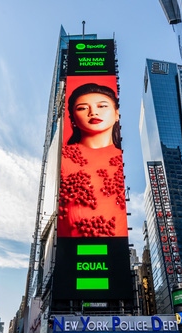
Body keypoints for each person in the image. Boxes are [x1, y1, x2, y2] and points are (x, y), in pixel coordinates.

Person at [58, 82, 128, 238]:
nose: (93, 113)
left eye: (102, 106)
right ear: (72, 118)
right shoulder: (64, 160)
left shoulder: (122, 162)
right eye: (82, 108)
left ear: (117, 114)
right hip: (71, 252)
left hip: (115, 251)